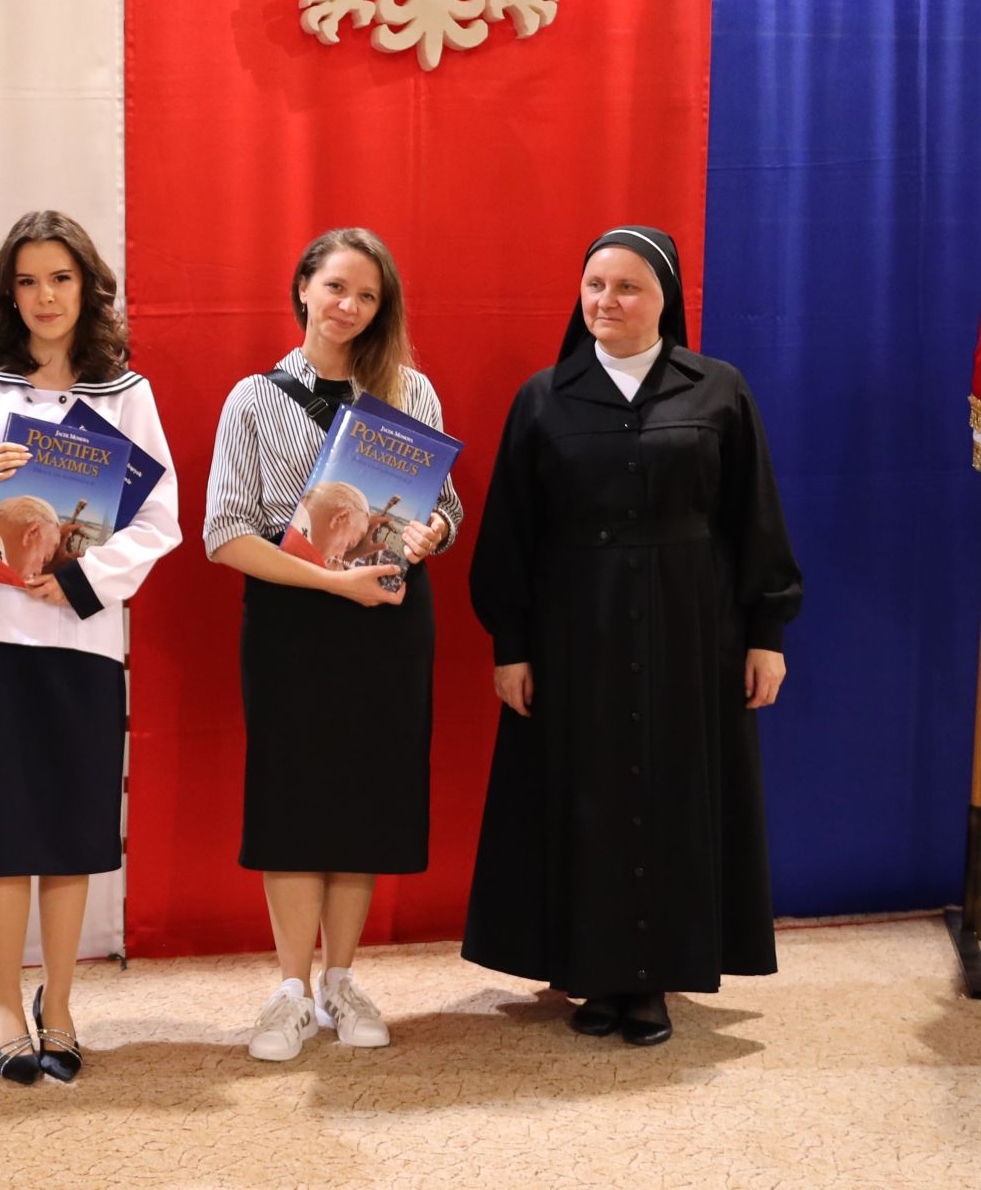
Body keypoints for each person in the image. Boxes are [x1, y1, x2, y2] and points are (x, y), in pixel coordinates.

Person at [463, 225, 801, 1046]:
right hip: (575, 634)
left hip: (693, 632)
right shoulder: (544, 396)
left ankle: (653, 982)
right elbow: (510, 533)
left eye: (627, 287)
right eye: (594, 286)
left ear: (665, 298)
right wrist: (511, 644)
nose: (606, 302)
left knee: (674, 791)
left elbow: (753, 517)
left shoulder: (718, 389)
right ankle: (595, 971)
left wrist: (767, 631)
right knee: (587, 794)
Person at [0, 210, 181, 1084]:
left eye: (60, 278)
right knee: (4, 828)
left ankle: (59, 1004)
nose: (45, 296)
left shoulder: (124, 392)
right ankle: (4, 1004)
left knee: (71, 826)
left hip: (81, 638)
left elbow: (162, 518)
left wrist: (84, 578)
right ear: (8, 292)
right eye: (28, 281)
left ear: (86, 286)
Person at [202, 227, 461, 1061]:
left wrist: (431, 531)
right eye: (336, 287)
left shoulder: (411, 394)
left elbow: (446, 506)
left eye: (368, 296)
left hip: (389, 618)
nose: (349, 306)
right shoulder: (253, 398)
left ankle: (341, 981)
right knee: (293, 798)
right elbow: (223, 533)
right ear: (303, 288)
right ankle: (289, 990)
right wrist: (327, 581)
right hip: (293, 620)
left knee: (366, 798)